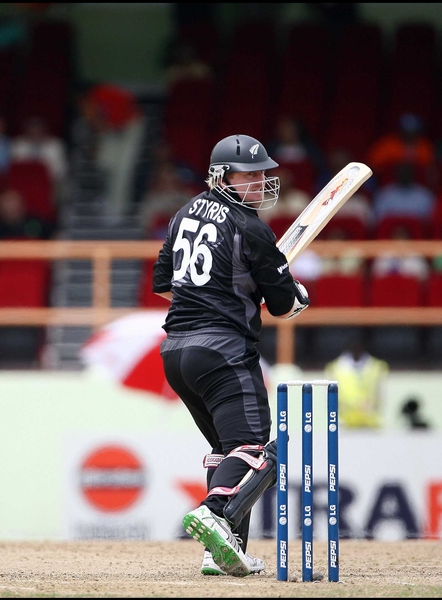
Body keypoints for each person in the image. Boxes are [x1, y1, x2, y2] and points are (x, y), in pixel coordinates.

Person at [152, 134, 310, 577]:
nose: (262, 180)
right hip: (222, 350)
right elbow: (284, 306)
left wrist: (227, 294)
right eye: (252, 174)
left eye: (264, 172)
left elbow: (164, 284)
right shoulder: (251, 227)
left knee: (227, 452)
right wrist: (296, 296)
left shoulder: (184, 213)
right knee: (258, 450)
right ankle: (215, 513)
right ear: (223, 176)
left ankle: (219, 554)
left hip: (177, 352)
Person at [79, 83, 146, 218]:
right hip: (114, 128)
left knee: (122, 170)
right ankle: (107, 199)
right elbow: (97, 126)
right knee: (104, 162)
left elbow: (125, 106)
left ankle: (117, 209)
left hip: (132, 126)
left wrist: (100, 136)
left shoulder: (103, 96)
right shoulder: (91, 104)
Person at [324, 336, 388, 429]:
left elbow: (382, 394)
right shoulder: (335, 368)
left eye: (359, 347)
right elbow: (329, 397)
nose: (356, 349)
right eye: (353, 347)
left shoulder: (377, 366)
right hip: (345, 424)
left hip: (371, 424)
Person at [9, 115, 69, 203]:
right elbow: (15, 171)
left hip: (49, 185)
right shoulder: (18, 145)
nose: (35, 131)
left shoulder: (56, 145)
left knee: (60, 188)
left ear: (44, 129)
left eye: (38, 127)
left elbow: (60, 172)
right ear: (27, 129)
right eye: (32, 127)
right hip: (23, 186)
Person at [366, 112, 435, 187]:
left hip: (418, 189)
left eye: (412, 132)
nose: (409, 135)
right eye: (406, 132)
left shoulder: (424, 147)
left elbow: (430, 171)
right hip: (388, 187)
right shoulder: (388, 144)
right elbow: (373, 167)